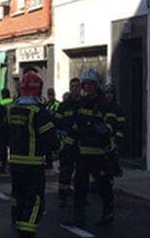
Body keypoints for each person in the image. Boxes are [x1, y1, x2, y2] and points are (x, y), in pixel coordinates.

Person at [7, 71, 58, 238]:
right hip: (33, 162)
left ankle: (22, 235)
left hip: (15, 162)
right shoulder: (39, 111)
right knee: (35, 200)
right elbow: (50, 138)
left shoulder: (13, 109)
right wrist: (58, 149)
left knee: (20, 198)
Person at [67, 70, 115, 226]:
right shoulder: (81, 103)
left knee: (103, 184)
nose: (87, 87)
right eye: (85, 84)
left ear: (97, 85)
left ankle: (108, 214)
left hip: (100, 152)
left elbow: (112, 125)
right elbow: (75, 124)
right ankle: (78, 217)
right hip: (83, 151)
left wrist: (104, 129)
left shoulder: (103, 104)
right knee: (80, 184)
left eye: (91, 84)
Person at [55, 78, 82, 207]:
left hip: (82, 144)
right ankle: (63, 196)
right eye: (73, 86)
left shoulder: (84, 104)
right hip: (67, 145)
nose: (75, 89)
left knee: (81, 173)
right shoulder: (64, 105)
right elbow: (57, 123)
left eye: (77, 86)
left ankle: (80, 197)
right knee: (66, 172)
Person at [102, 82, 126, 179]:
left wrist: (117, 139)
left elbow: (121, 125)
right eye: (106, 93)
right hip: (101, 140)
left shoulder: (117, 108)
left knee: (111, 163)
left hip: (112, 140)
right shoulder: (101, 106)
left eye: (110, 93)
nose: (108, 95)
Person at [0, 88, 13, 172]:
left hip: (3, 127)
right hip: (12, 127)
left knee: (2, 147)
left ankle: (2, 164)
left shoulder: (1, 103)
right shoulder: (13, 102)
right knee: (12, 147)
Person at [44, 88, 60, 169]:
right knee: (47, 147)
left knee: (55, 146)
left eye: (51, 94)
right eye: (49, 94)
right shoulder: (46, 104)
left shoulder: (57, 104)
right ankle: (48, 162)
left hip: (55, 128)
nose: (50, 96)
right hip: (48, 129)